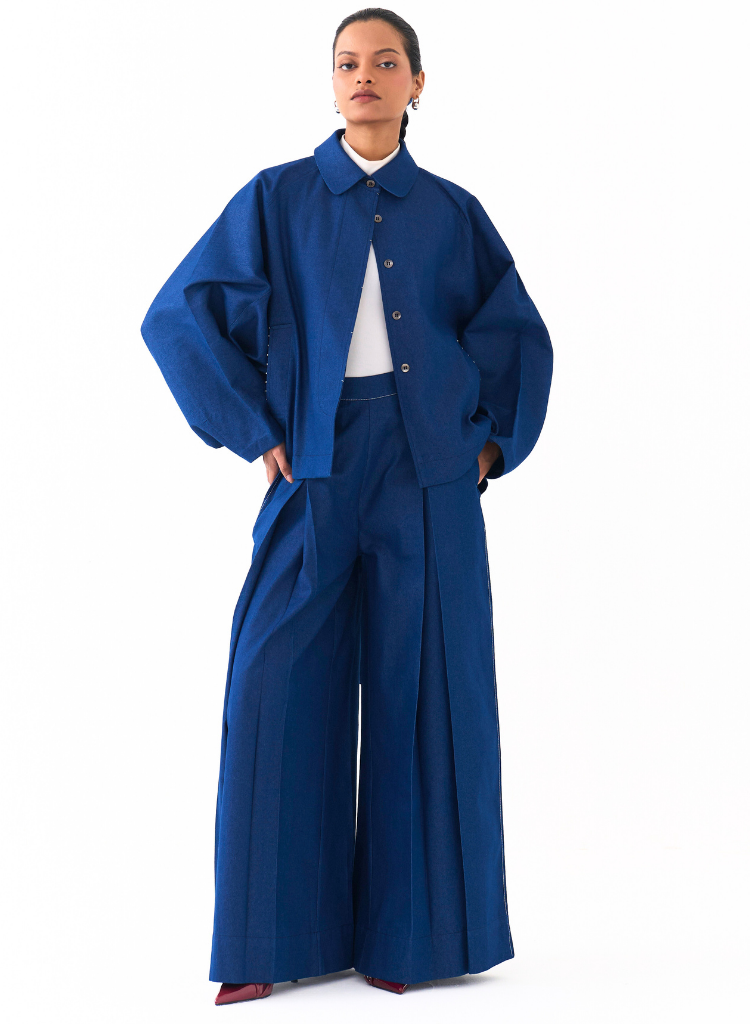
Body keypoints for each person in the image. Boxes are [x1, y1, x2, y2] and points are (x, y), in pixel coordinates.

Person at [141, 7, 553, 1005]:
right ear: (330, 84)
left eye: (385, 62)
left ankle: (413, 942)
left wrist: (487, 447)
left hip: (431, 472)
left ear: (418, 84)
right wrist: (254, 428)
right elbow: (177, 315)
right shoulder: (277, 197)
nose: (363, 76)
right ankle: (268, 940)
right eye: (346, 63)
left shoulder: (451, 211)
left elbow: (518, 336)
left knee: (428, 690)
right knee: (273, 685)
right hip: (313, 466)